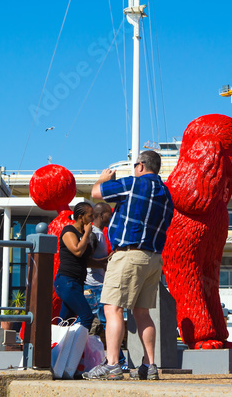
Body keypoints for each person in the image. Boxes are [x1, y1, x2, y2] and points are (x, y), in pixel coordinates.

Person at [84, 150, 174, 381]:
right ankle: (149, 365)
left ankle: (113, 364)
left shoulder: (133, 184)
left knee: (112, 308)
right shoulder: (166, 194)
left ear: (141, 166)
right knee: (142, 312)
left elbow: (95, 194)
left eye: (135, 166)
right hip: (153, 258)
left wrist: (104, 178)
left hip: (129, 254)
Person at [54, 201, 96, 330]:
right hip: (66, 281)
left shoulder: (83, 235)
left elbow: (85, 261)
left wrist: (105, 262)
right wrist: (87, 233)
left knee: (65, 322)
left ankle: (58, 348)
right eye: (90, 216)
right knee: (87, 317)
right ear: (80, 217)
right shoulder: (68, 231)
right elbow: (77, 251)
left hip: (77, 282)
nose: (92, 219)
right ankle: (77, 349)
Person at [84, 202, 113, 336]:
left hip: (97, 285)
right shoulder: (94, 234)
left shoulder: (99, 233)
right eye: (109, 214)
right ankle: (119, 357)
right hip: (94, 286)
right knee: (106, 321)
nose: (111, 217)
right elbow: (86, 261)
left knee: (95, 322)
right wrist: (106, 261)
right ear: (101, 215)